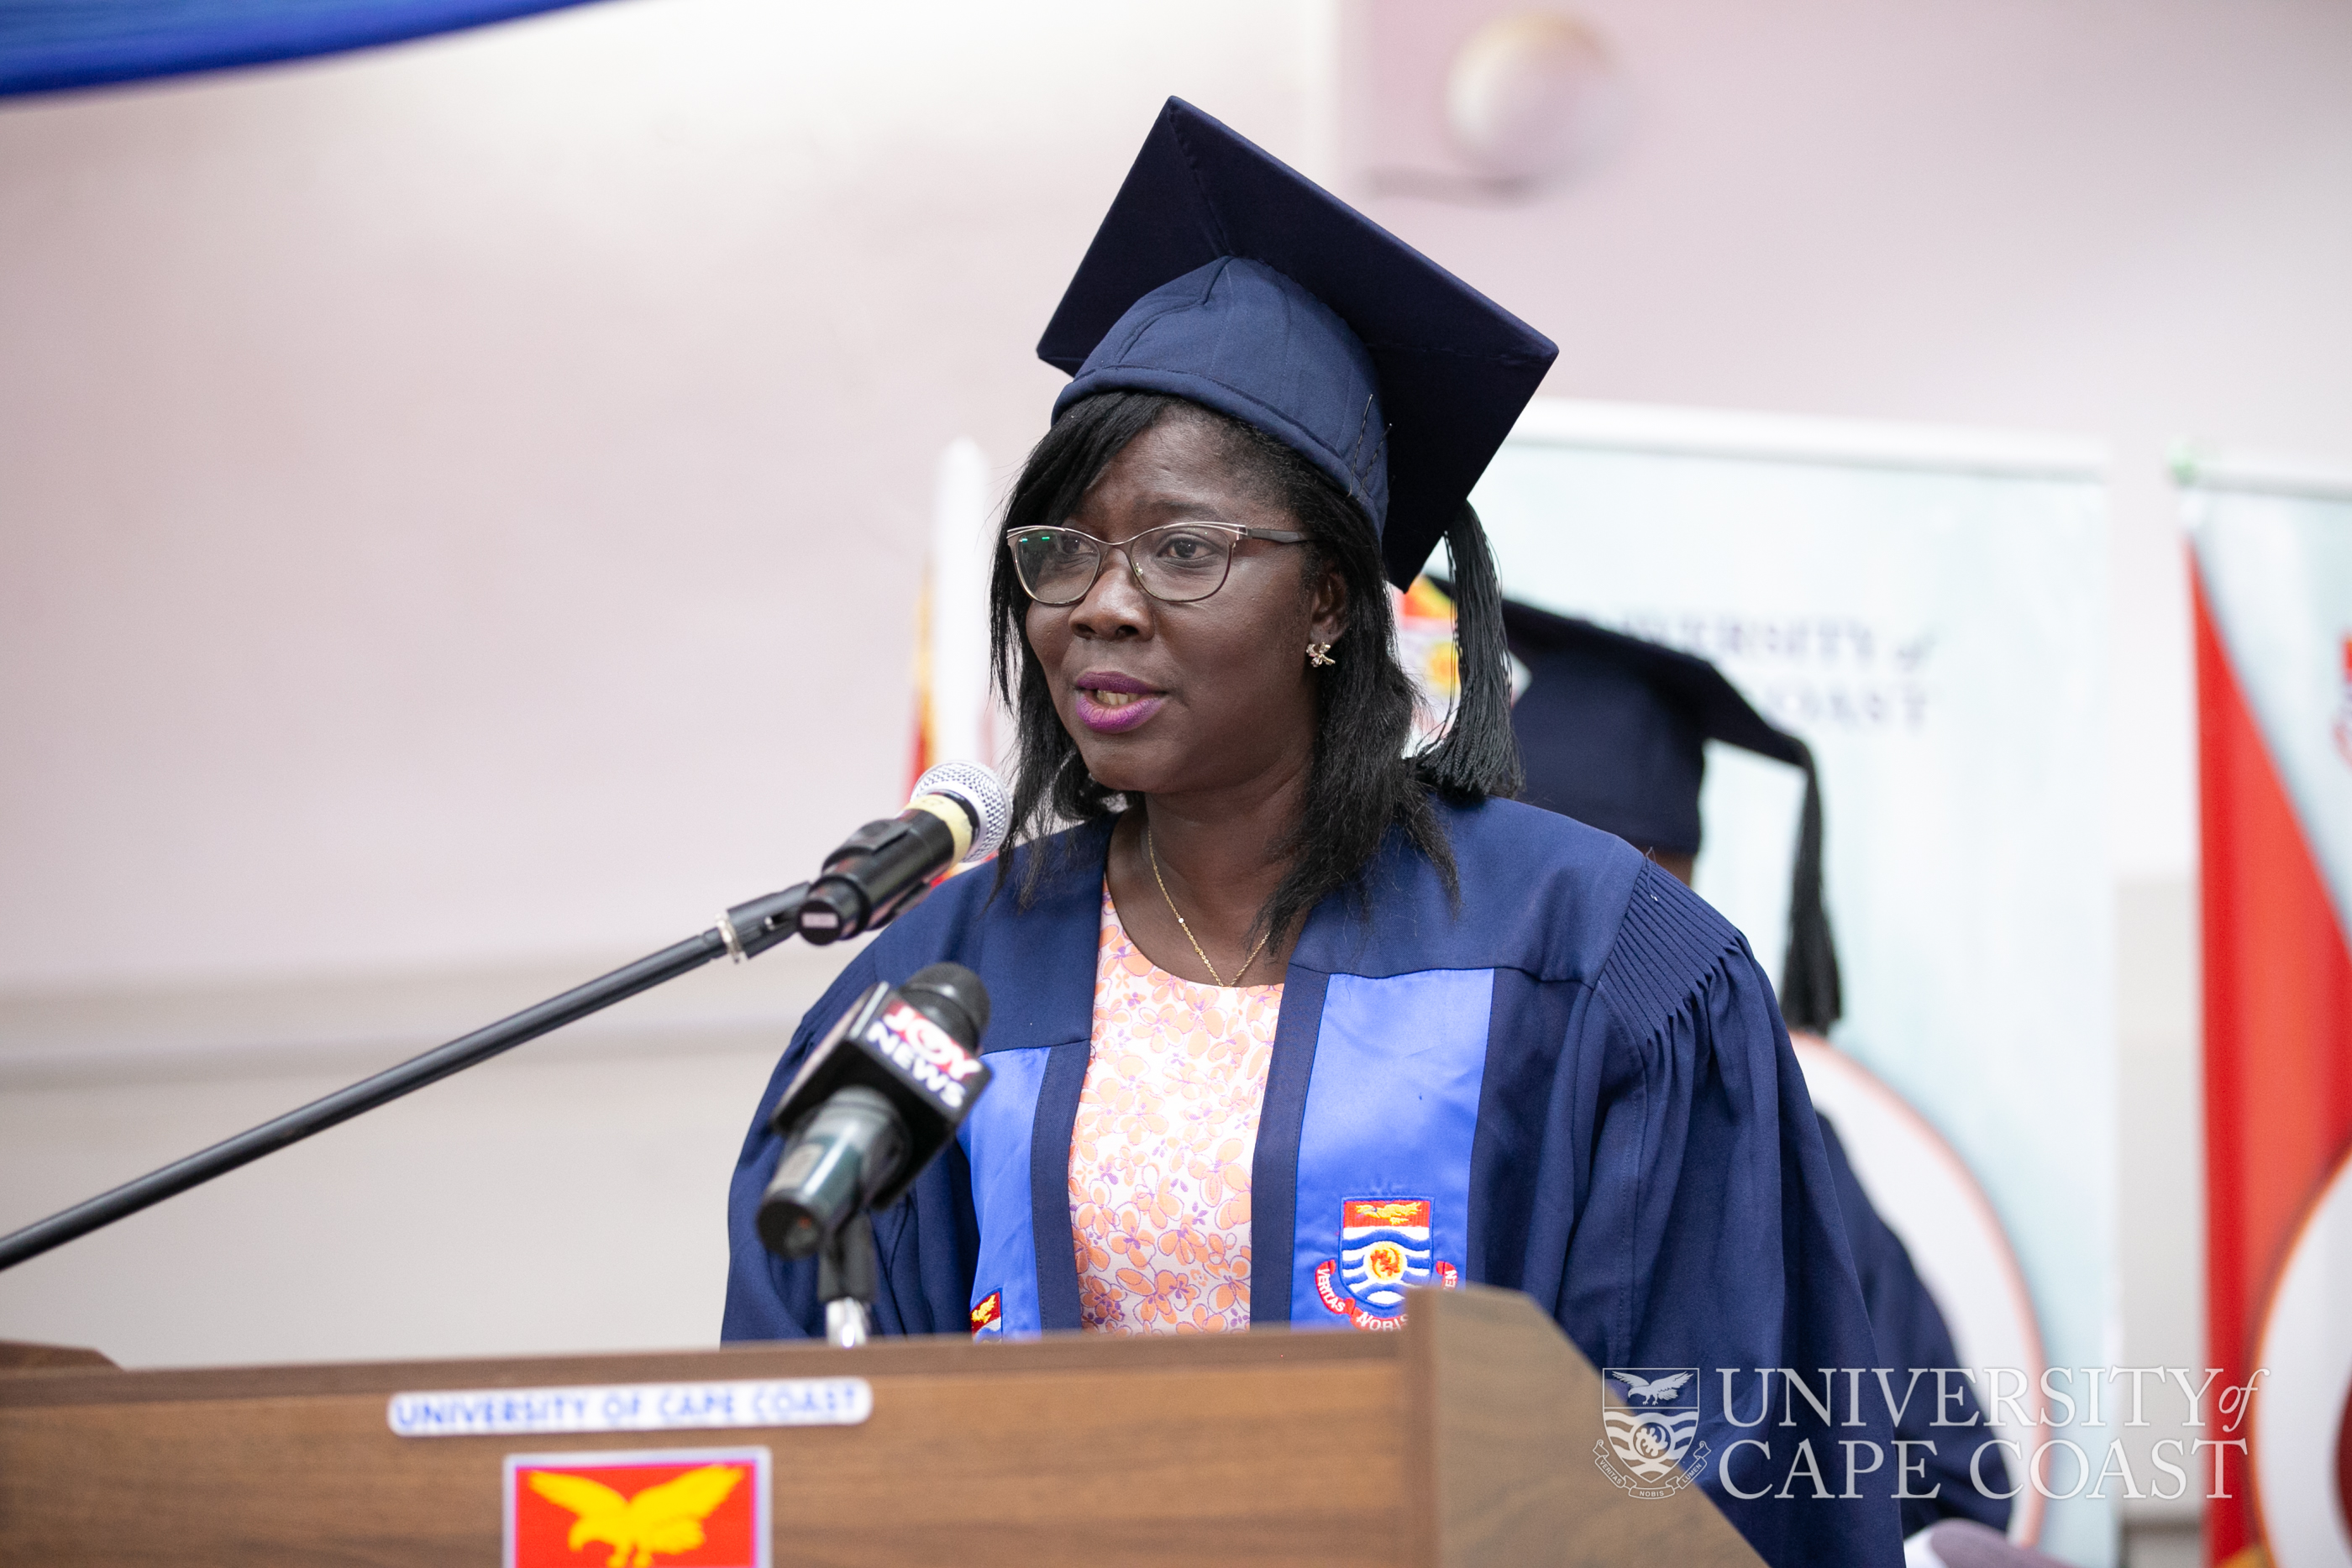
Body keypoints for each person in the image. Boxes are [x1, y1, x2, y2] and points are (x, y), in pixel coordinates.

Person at [724, 97, 1899, 1568]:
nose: (1101, 602)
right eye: (1062, 550)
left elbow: (1717, 1447)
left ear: (1332, 603)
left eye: (1182, 548)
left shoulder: (1592, 953)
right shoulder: (949, 974)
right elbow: (806, 1412)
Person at [1499, 596, 2013, 1538]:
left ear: (1682, 901)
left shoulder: (1781, 1155)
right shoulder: (1429, 1125)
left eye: (1626, 905)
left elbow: (1952, 1477)